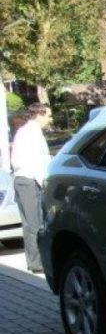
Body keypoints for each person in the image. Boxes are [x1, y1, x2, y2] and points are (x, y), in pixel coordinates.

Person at [10, 103, 52, 273]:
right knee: (35, 224)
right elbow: (36, 162)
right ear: (39, 115)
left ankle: (34, 260)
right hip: (29, 181)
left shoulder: (24, 131)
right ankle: (37, 262)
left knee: (29, 224)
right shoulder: (33, 134)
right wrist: (45, 184)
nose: (50, 119)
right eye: (48, 115)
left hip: (22, 180)